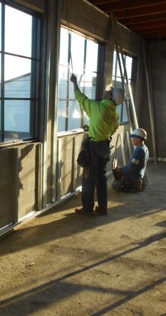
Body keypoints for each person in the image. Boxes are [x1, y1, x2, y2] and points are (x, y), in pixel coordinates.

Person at [70, 73, 125, 216]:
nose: (106, 91)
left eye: (109, 91)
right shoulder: (115, 114)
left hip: (94, 147)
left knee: (89, 178)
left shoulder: (97, 107)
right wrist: (96, 128)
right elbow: (112, 129)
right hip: (105, 147)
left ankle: (87, 208)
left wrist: (74, 82)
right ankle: (102, 207)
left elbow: (80, 97)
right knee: (101, 178)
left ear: (111, 97)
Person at [111, 128, 149, 192]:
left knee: (114, 185)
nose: (132, 139)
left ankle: (134, 186)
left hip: (134, 177)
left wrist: (120, 170)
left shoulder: (139, 151)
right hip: (139, 174)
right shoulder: (145, 148)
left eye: (134, 137)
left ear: (138, 139)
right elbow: (133, 165)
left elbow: (132, 167)